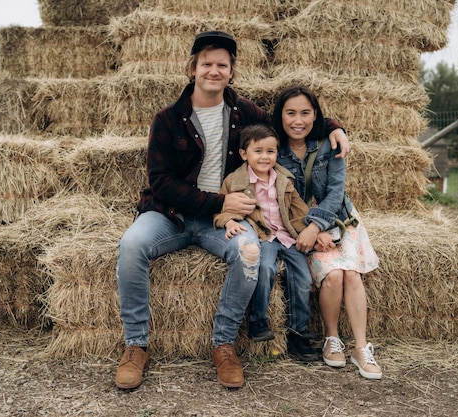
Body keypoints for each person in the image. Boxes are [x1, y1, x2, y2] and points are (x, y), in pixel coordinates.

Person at [114, 32, 350, 390]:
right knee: (131, 245)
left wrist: (334, 128)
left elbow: (292, 121)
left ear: (232, 71)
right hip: (171, 213)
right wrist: (219, 202)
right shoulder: (168, 119)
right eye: (206, 64)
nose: (214, 70)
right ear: (192, 68)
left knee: (250, 252)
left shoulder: (246, 113)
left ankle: (223, 345)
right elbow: (161, 182)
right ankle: (135, 346)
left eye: (221, 65)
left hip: (223, 223)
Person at [272, 84, 383, 380]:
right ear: (280, 116)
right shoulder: (273, 150)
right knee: (334, 275)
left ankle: (361, 348)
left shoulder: (329, 145)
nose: (298, 120)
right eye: (291, 113)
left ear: (316, 115)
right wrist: (306, 229)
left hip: (338, 220)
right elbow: (278, 199)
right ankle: (332, 338)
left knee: (351, 274)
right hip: (297, 225)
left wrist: (317, 225)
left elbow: (336, 192)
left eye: (306, 113)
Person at [214, 124, 318, 362]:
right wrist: (229, 222)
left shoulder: (284, 180)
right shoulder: (234, 181)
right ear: (244, 154)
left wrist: (312, 231)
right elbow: (221, 211)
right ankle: (258, 321)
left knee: (303, 277)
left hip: (287, 237)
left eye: (270, 151)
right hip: (264, 236)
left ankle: (298, 331)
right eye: (258, 151)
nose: (264, 157)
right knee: (265, 269)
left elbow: (299, 211)